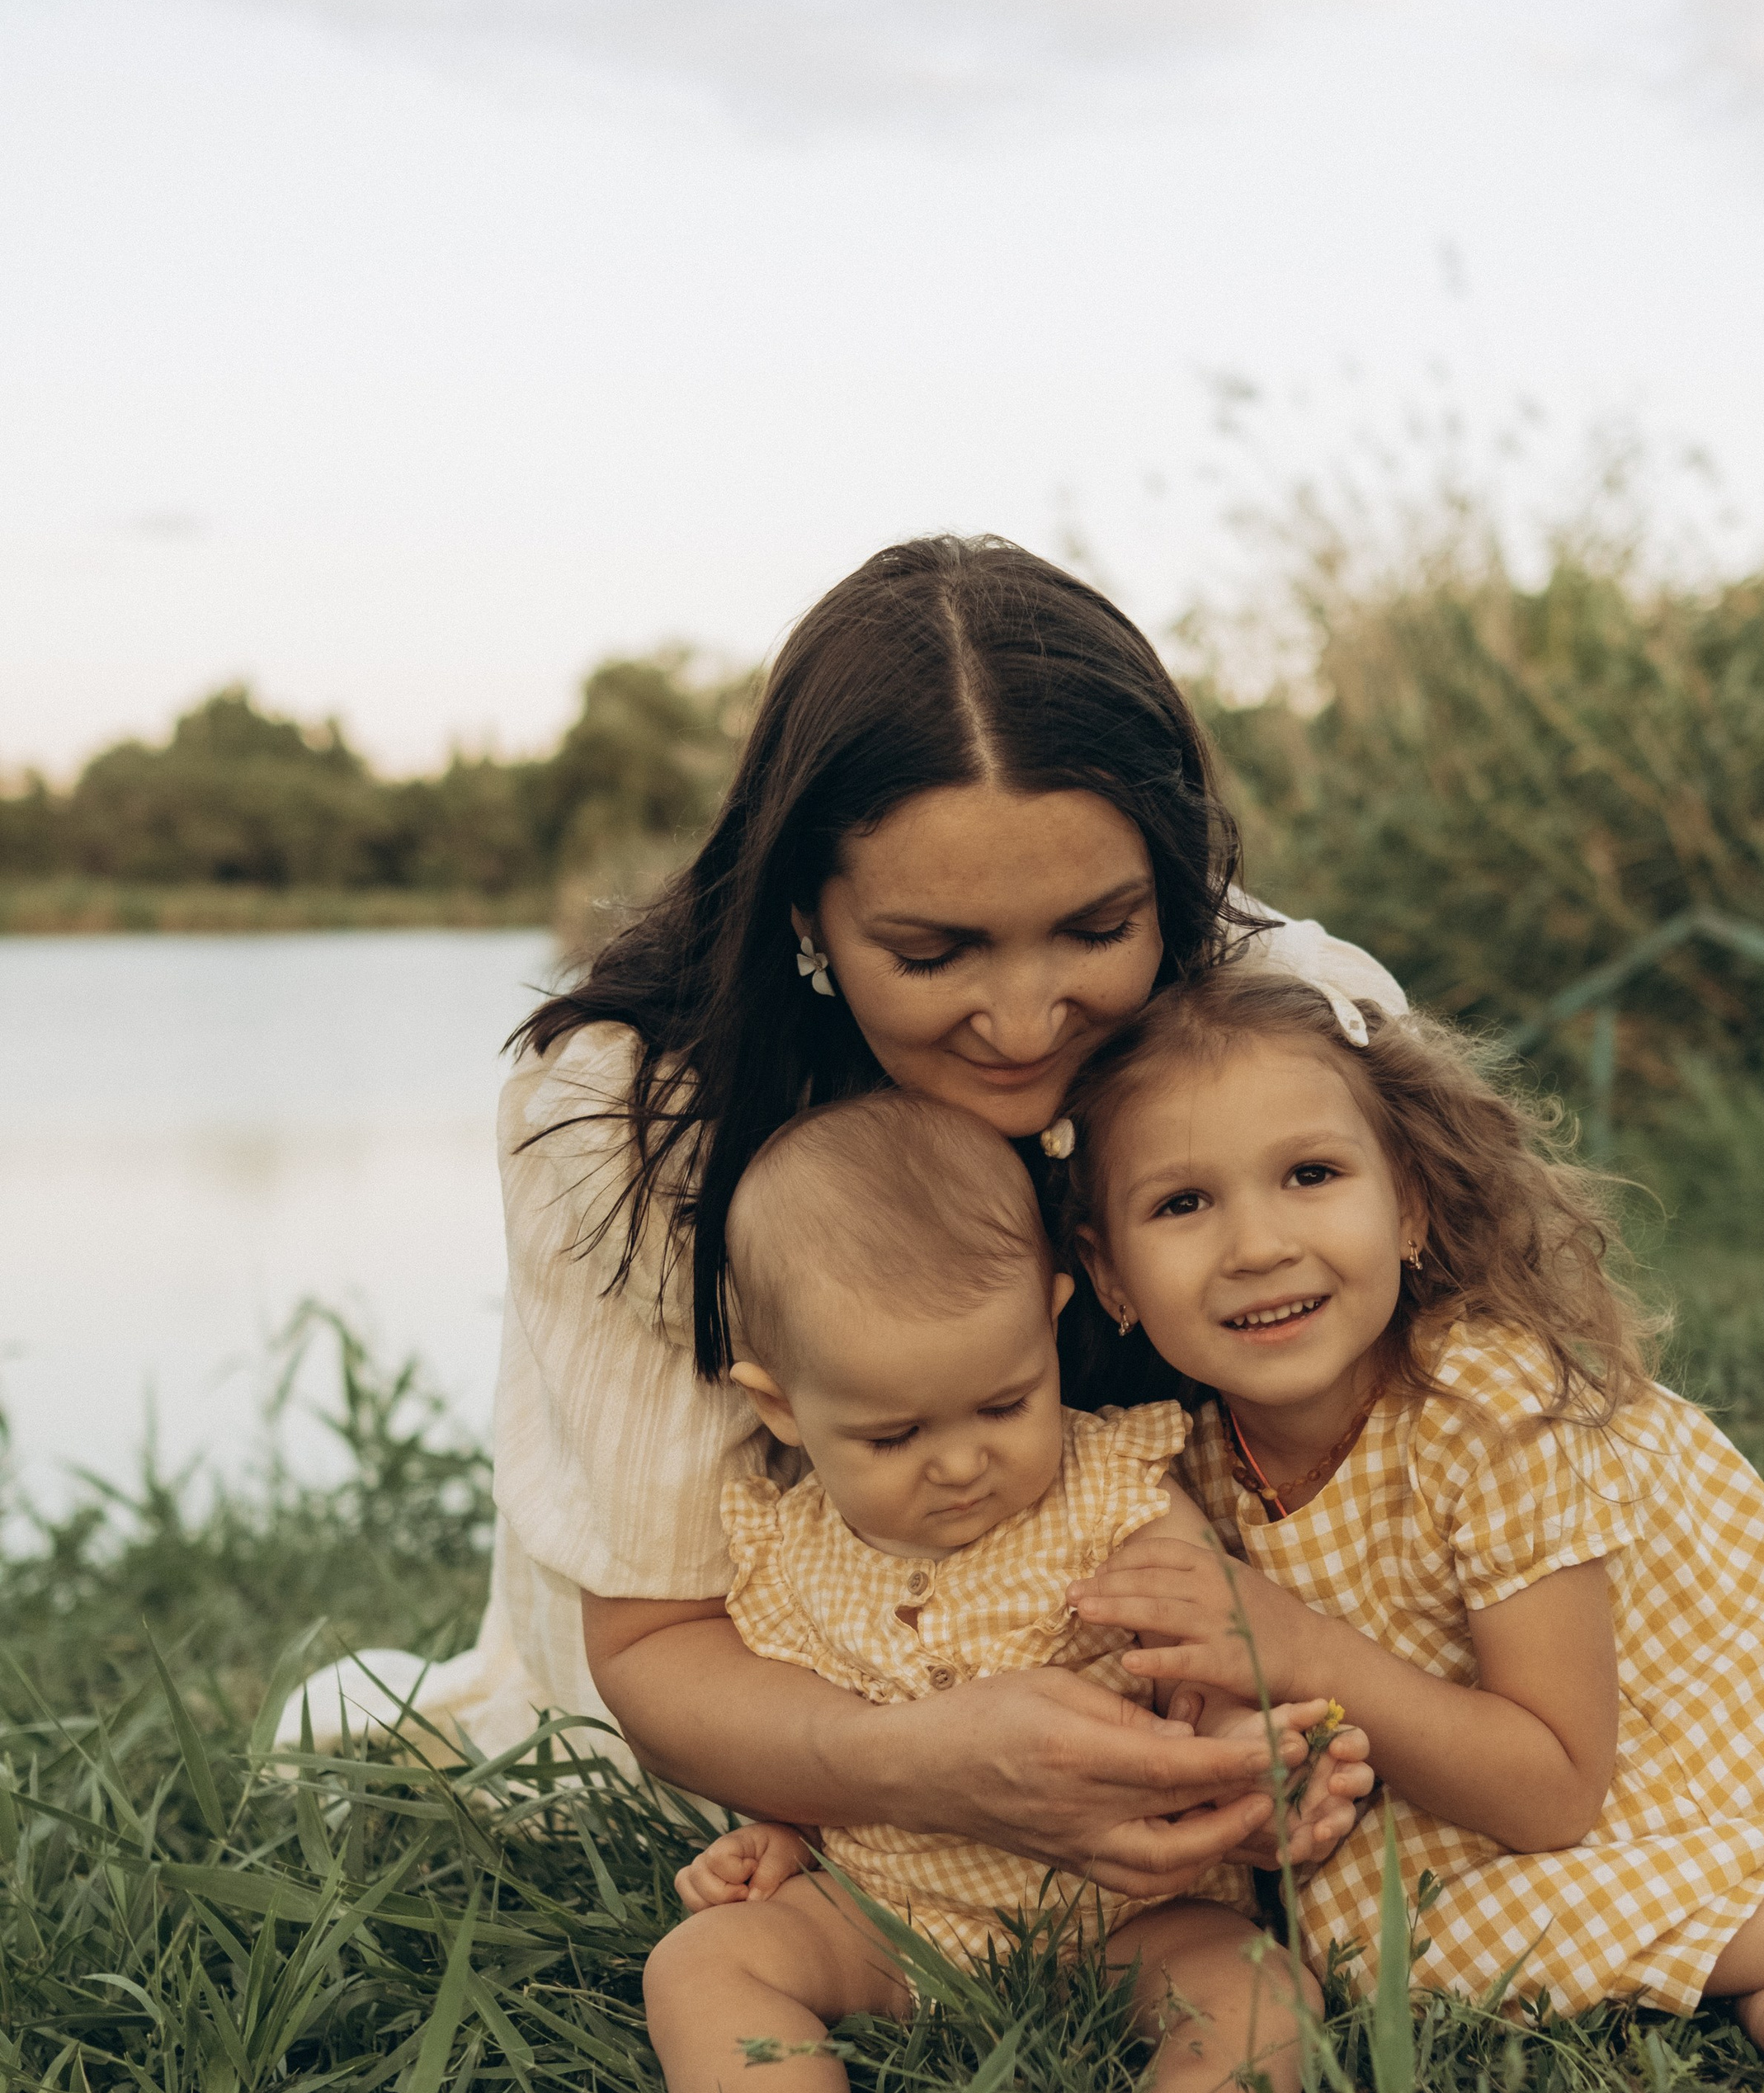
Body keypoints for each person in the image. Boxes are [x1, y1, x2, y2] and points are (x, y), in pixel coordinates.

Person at [288, 536, 1402, 1906]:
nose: (1023, 1016)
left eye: (1096, 929)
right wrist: (922, 1764)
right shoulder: (632, 1118)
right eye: (933, 954)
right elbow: (662, 1641)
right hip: (765, 1707)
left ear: (1167, 883)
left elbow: (1467, 1457)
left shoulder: (1289, 1029)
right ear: (808, 912)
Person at [1057, 967, 1764, 2093]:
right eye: (1183, 1204)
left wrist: (1301, 1651)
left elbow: (1558, 1790)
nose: (1257, 1244)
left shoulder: (1489, 1397)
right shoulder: (1182, 1457)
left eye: (1312, 1174)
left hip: (1697, 1743)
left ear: (1413, 1204)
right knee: (1348, 1931)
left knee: (1399, 1943)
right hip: (1488, 1765)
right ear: (1108, 1272)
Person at [643, 1089, 1368, 2093]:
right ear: (780, 1408)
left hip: (1125, 1912)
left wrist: (1246, 1754)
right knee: (700, 1965)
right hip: (883, 1915)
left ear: (1050, 1321)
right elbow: (797, 1714)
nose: (962, 1460)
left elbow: (1221, 1663)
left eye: (1000, 1402)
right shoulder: (781, 1546)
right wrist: (776, 1835)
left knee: (1257, 1989)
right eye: (893, 1433)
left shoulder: (1118, 1499)